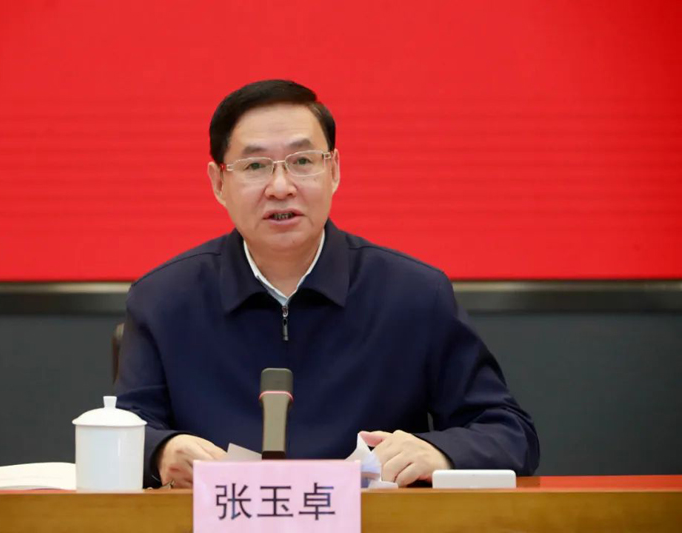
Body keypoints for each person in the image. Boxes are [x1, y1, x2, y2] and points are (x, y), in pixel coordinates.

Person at [115, 79, 540, 489]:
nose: (280, 187)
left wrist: (439, 452)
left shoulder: (414, 295)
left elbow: (508, 432)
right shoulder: (163, 300)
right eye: (255, 166)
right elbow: (125, 431)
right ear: (218, 183)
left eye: (302, 161)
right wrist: (161, 453)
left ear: (333, 170)